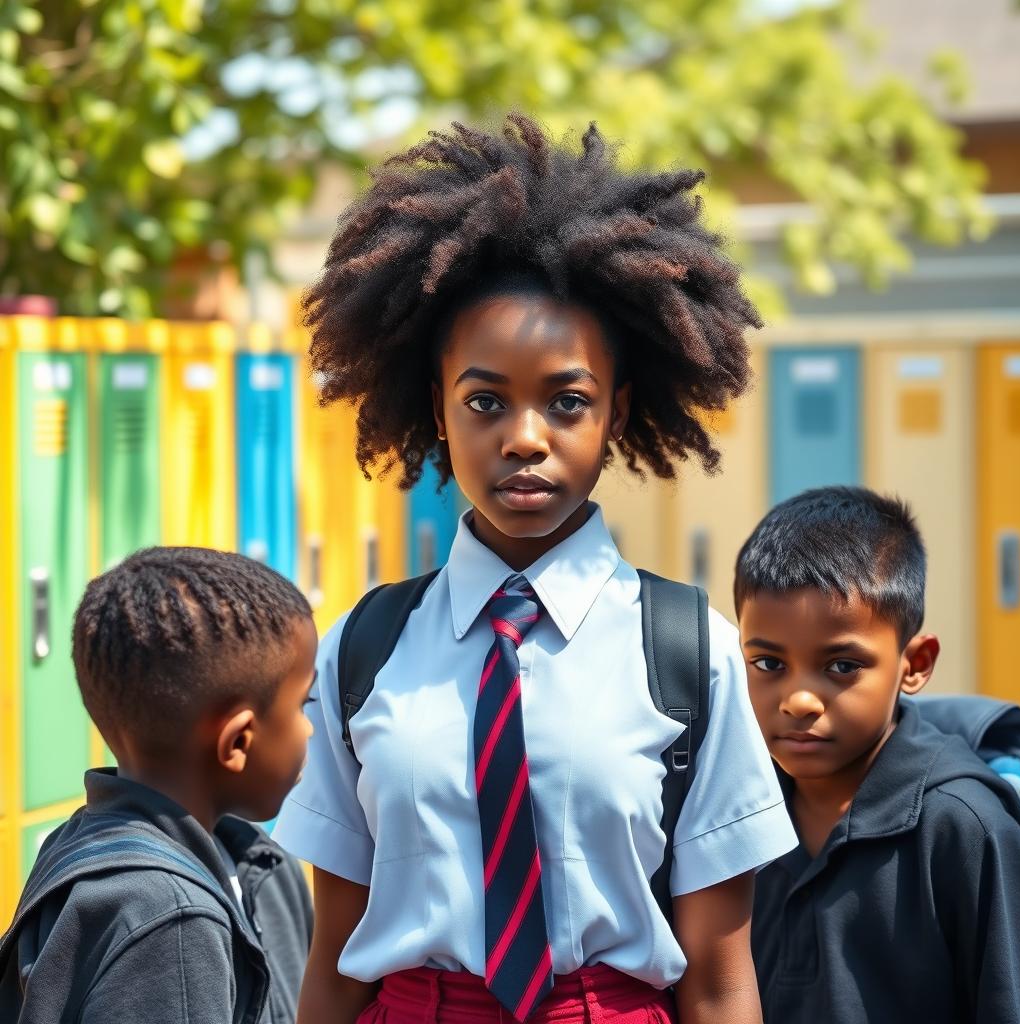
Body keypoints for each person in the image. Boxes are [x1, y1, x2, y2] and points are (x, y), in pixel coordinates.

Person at [274, 112, 796, 1024]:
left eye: (566, 402)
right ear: (437, 410)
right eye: (485, 400)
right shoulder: (364, 646)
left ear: (616, 415)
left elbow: (718, 981)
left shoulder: (688, 650)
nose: (524, 438)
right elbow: (336, 958)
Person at [735, 486, 1020, 1024]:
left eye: (842, 666)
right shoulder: (733, 811)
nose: (799, 701)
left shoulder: (965, 829)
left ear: (914, 663)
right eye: (769, 664)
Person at [0, 547, 318, 1024]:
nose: (311, 727)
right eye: (301, 703)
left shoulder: (259, 862)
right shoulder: (167, 919)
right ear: (238, 742)